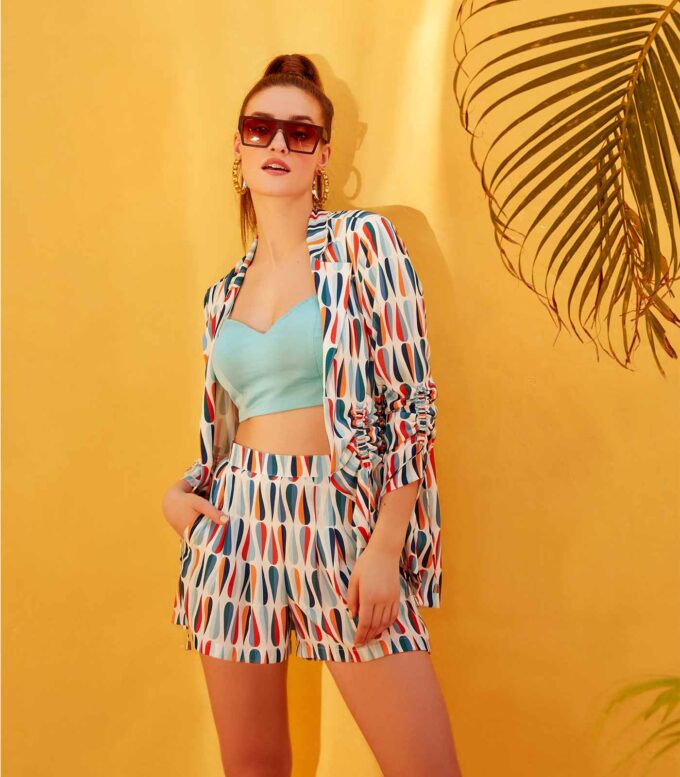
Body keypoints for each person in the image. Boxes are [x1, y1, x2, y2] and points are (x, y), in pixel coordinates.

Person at [162, 53, 462, 777]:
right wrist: (183, 494)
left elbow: (410, 401)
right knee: (254, 766)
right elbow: (226, 425)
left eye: (300, 132)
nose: (278, 143)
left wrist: (385, 545)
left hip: (341, 517)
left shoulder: (363, 245)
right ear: (239, 145)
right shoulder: (221, 295)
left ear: (323, 154)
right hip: (235, 530)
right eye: (260, 127)